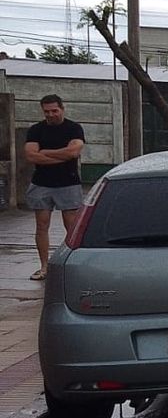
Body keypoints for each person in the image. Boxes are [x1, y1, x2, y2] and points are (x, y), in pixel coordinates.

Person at [24, 94, 86, 280]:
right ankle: (44, 266)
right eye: (46, 112)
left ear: (62, 109)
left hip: (68, 183)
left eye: (54, 111)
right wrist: (61, 156)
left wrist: (46, 153)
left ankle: (75, 264)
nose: (50, 114)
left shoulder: (73, 128)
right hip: (41, 184)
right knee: (42, 226)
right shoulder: (36, 130)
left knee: (72, 227)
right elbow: (31, 156)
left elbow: (74, 152)